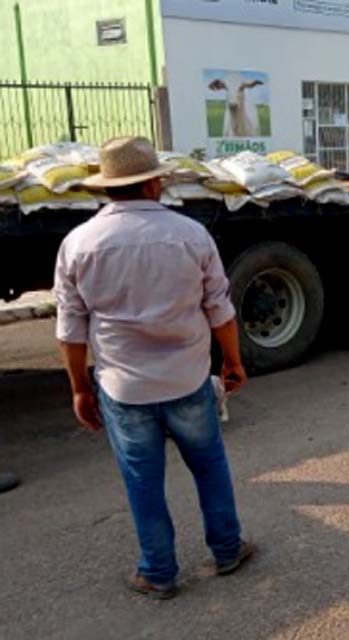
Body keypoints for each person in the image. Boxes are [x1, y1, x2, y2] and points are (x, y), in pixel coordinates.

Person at [54, 137, 254, 600]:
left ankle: (158, 572)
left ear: (109, 187)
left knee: (143, 483)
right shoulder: (191, 234)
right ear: (155, 183)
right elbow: (219, 311)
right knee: (210, 468)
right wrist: (234, 362)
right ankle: (227, 550)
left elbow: (71, 329)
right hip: (187, 380)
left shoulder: (79, 243)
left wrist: (80, 389)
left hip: (124, 391)